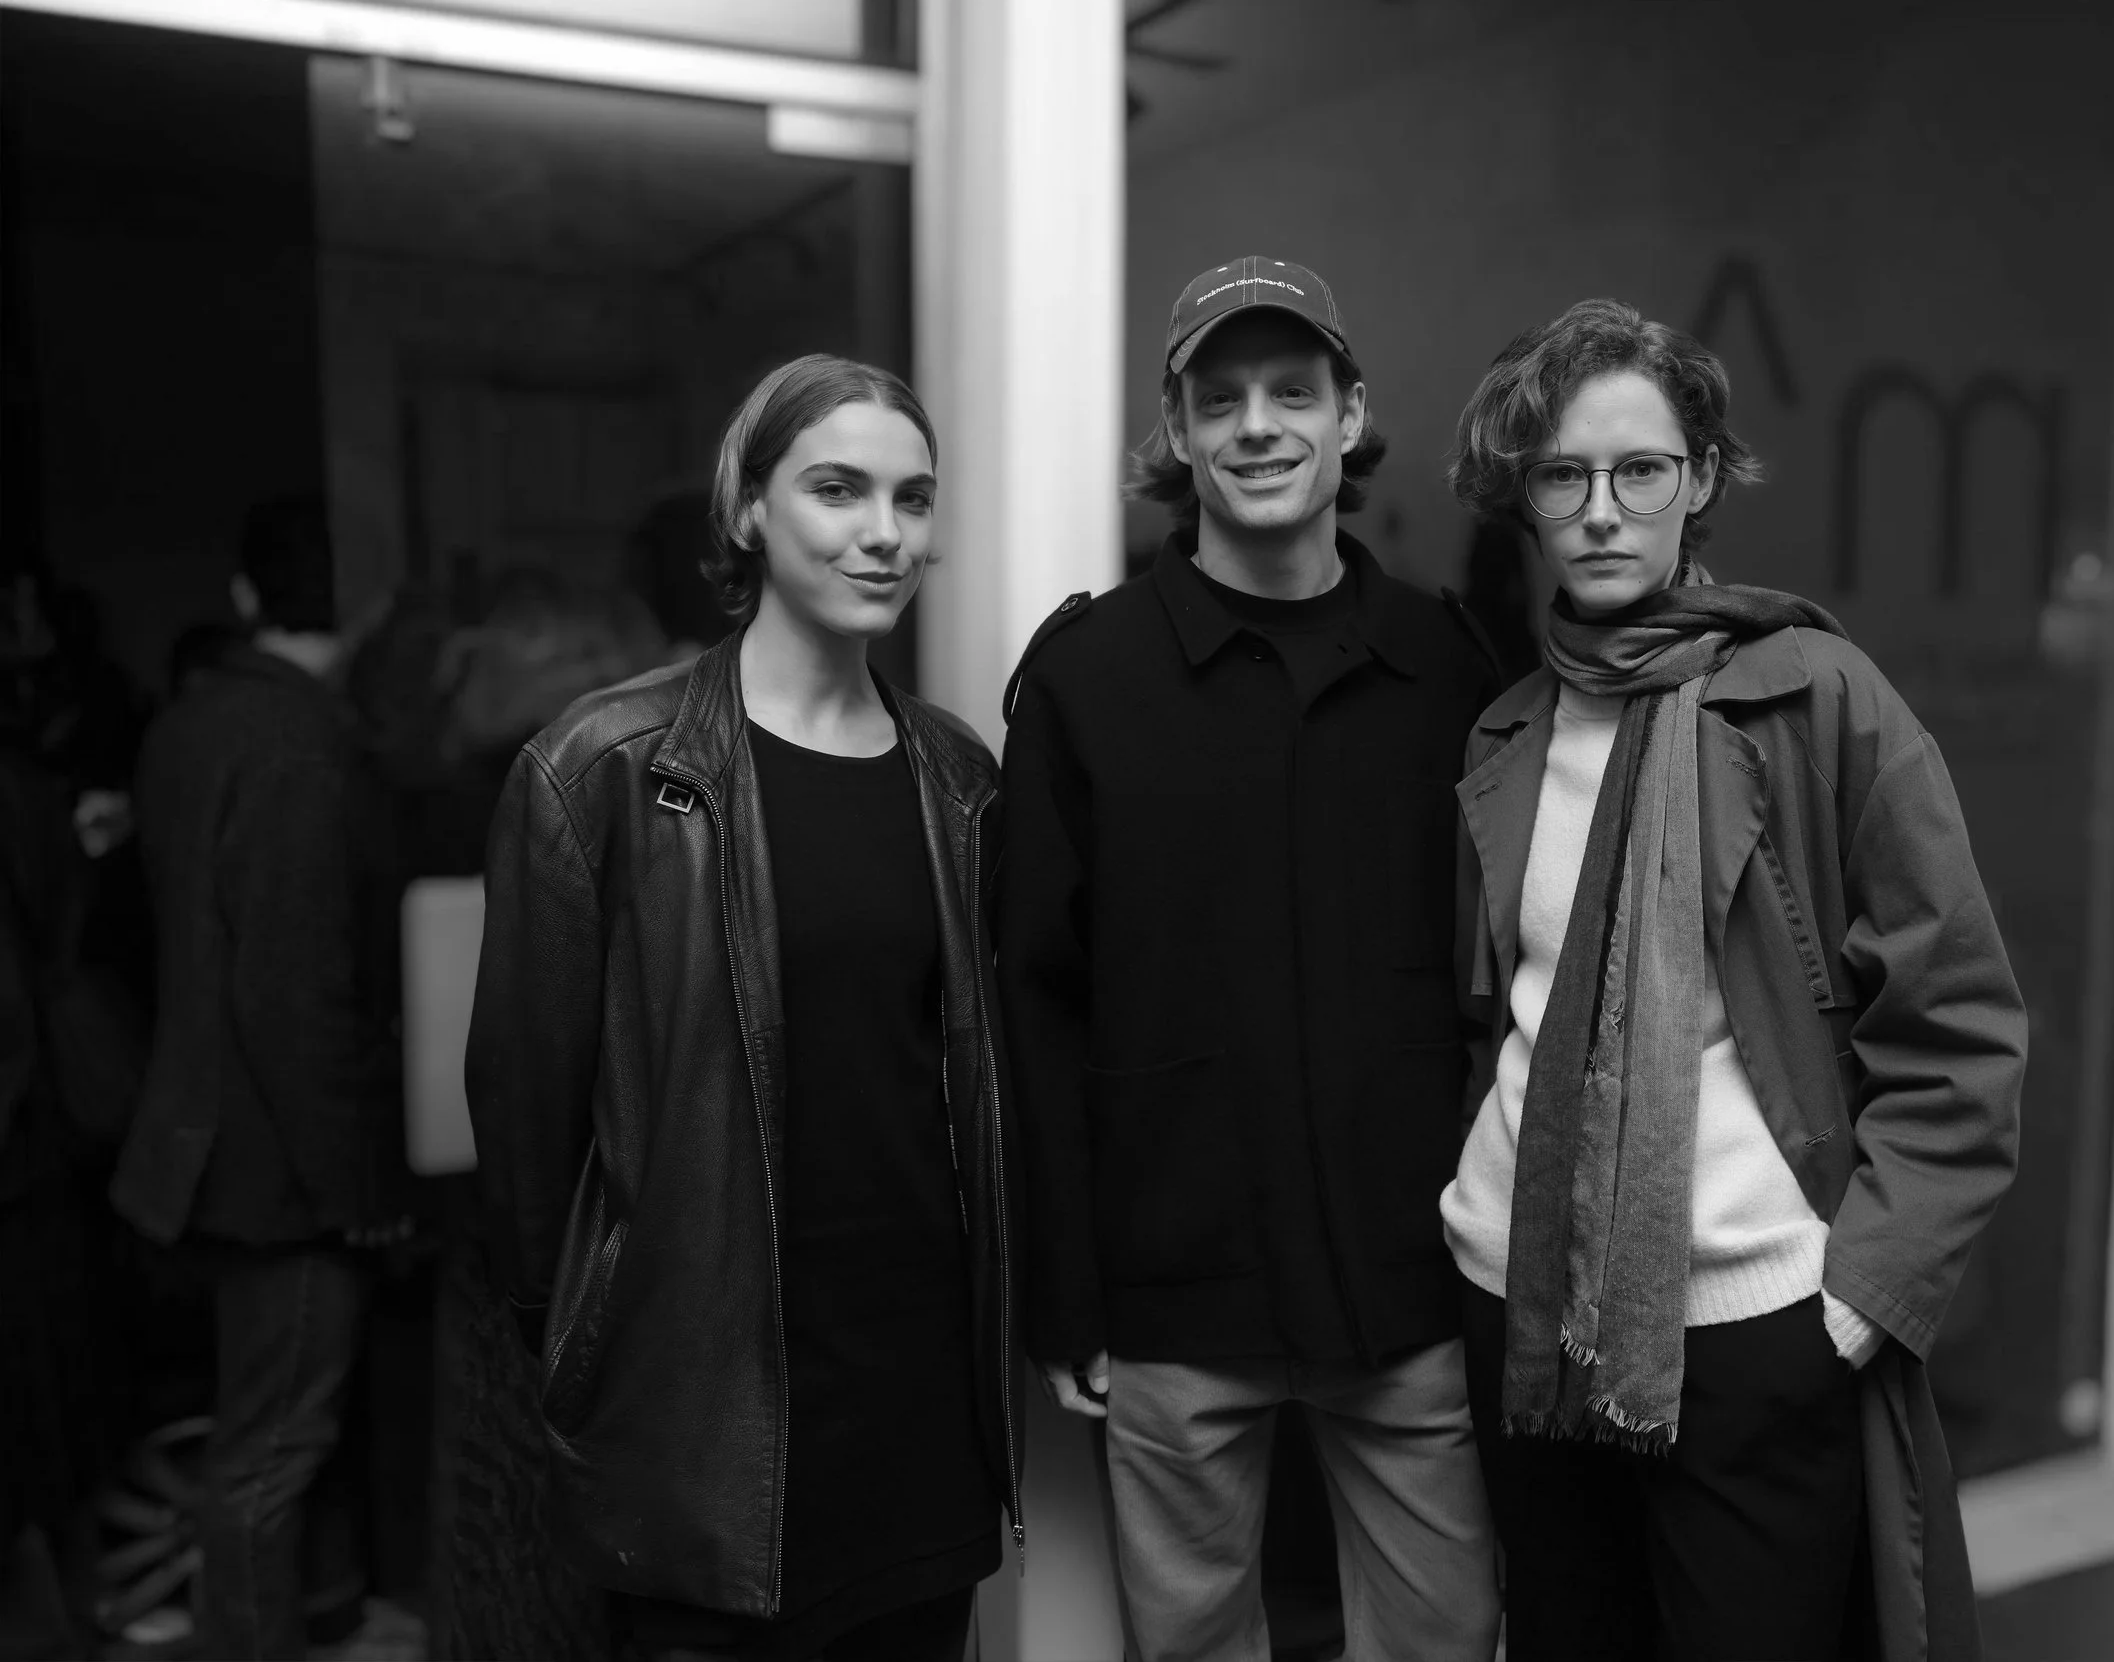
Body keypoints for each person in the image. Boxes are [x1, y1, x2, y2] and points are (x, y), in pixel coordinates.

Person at [1436, 298, 2026, 1662]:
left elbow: (1962, 1020)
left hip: (1760, 1319)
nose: (1602, 510)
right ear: (1526, 497)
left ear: (1698, 478)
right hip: (1519, 1302)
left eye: (1640, 470)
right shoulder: (1509, 728)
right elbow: (1485, 1013)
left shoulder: (1818, 696)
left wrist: (1863, 1295)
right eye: (1564, 476)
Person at [467, 355, 1019, 1662]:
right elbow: (527, 1138)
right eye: (838, 489)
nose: (883, 532)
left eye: (913, 498)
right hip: (697, 1412)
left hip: (914, 1403)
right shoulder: (601, 769)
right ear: (749, 507)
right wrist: (594, 1349)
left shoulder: (959, 781)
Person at [998, 255, 1504, 1661]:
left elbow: (1498, 980)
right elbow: (1035, 1000)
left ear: (1352, 416)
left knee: (1447, 1642)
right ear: (1175, 435)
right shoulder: (1087, 683)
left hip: (1407, 1281)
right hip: (1173, 1288)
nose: (1258, 426)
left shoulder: (1445, 669)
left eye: (1293, 391)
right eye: (1219, 400)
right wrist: (1065, 1292)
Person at [109, 497, 404, 1658]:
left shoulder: (191, 721)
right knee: (270, 1456)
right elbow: (292, 1000)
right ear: (367, 601)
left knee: (274, 1439)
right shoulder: (304, 745)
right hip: (276, 1165)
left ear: (244, 598)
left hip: (200, 1136)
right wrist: (363, 1188)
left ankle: (311, 1618)